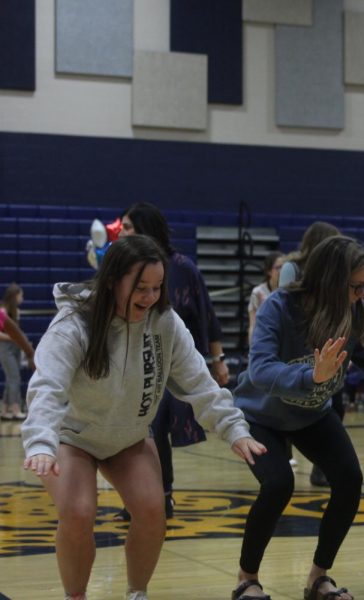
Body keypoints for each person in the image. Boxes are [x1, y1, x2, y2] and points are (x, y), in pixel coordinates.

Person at [21, 235, 265, 600]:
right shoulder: (74, 323)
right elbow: (47, 385)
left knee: (153, 511)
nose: (150, 297)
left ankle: (137, 593)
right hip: (74, 437)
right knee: (78, 512)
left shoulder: (165, 324)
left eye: (157, 287)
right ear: (112, 280)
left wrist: (234, 429)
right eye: (140, 287)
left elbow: (199, 383)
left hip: (129, 435)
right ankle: (76, 597)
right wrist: (41, 440)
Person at [231, 235, 364, 600]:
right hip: (260, 415)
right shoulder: (279, 307)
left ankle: (318, 578)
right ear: (330, 281)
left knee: (349, 479)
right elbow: (261, 370)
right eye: (356, 287)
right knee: (278, 484)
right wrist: (311, 376)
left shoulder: (356, 314)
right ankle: (246, 579)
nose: (363, 295)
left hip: (312, 413)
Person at [114, 202, 230, 521]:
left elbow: (207, 314)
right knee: (134, 431)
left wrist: (218, 360)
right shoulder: (121, 268)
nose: (120, 232)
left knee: (155, 428)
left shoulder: (182, 267)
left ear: (144, 229)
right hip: (128, 365)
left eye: (127, 227)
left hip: (170, 363)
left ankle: (162, 496)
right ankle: (140, 496)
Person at [276, 220, 342, 487]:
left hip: (323, 346)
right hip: (294, 347)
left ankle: (321, 466)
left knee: (333, 404)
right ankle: (281, 466)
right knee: (286, 408)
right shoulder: (292, 268)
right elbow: (285, 307)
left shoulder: (335, 273)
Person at [1, 283, 33, 420]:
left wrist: (22, 342)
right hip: (4, 348)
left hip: (14, 347)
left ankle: (4, 410)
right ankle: (15, 409)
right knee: (14, 377)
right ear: (15, 296)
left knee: (11, 379)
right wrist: (13, 337)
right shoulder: (2, 311)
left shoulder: (16, 311)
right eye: (21, 295)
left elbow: (17, 332)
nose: (22, 298)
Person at [278, 221, 341, 288]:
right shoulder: (291, 268)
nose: (337, 249)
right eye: (334, 245)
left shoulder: (334, 269)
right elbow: (283, 297)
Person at [248, 251, 284, 344]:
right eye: (278, 268)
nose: (281, 271)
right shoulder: (257, 292)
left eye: (283, 267)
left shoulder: (289, 291)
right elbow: (253, 324)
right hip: (265, 338)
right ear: (269, 271)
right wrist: (252, 348)